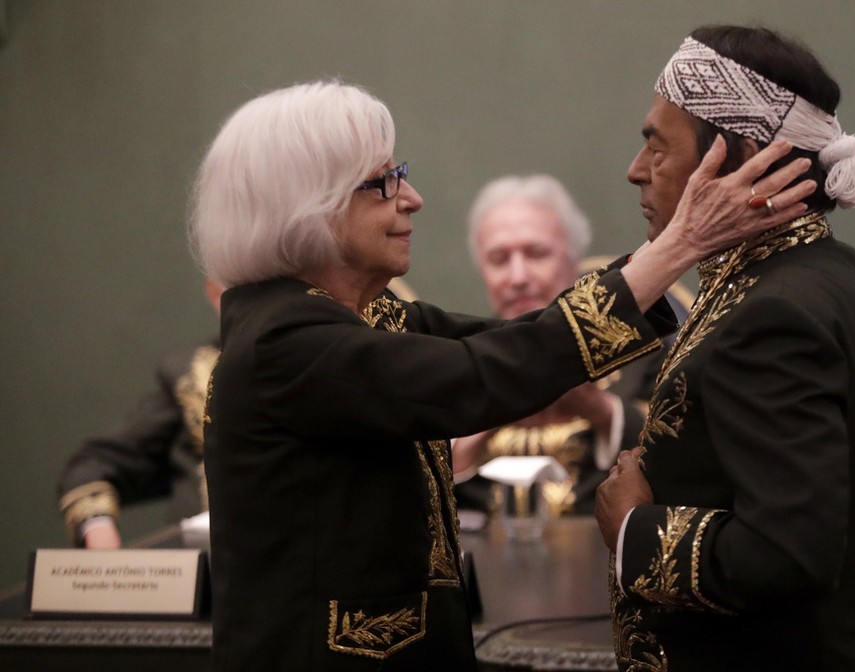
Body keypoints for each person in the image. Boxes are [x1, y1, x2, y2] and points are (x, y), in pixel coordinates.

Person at [188, 79, 812, 671]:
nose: (412, 198)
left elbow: (512, 343)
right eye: (384, 182)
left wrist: (674, 247)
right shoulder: (284, 341)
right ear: (309, 207)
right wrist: (682, 243)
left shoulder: (364, 316)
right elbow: (483, 375)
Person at [594, 25, 855, 671]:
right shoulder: (835, 272)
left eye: (657, 145)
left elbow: (789, 554)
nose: (636, 171)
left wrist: (633, 531)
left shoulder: (772, 313)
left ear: (739, 155)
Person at [453, 174, 666, 515]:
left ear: (573, 262)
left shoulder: (642, 351)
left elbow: (672, 464)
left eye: (536, 254)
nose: (518, 277)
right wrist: (494, 405)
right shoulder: (462, 358)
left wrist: (597, 408)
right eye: (499, 259)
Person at [57, 279, 223, 549]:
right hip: (207, 572)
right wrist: (98, 532)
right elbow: (94, 466)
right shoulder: (190, 373)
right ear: (215, 292)